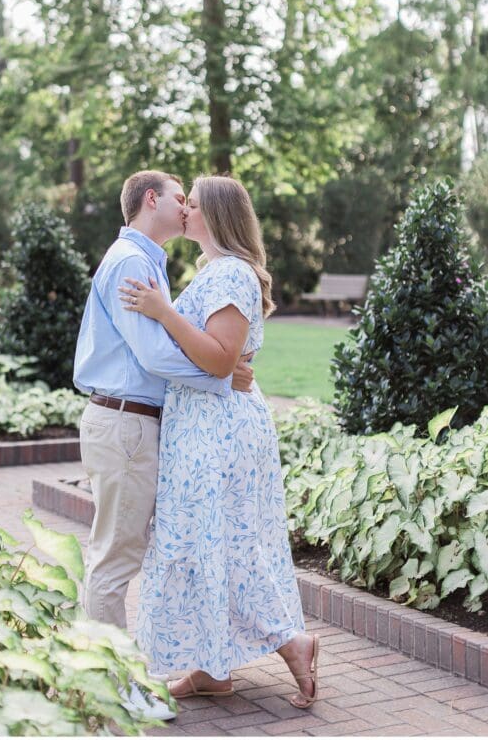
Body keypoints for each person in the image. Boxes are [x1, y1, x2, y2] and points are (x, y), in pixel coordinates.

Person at [118, 175, 319, 710]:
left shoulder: (230, 274)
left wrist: (162, 312)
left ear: (218, 217)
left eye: (195, 204)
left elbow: (221, 359)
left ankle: (291, 641)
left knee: (216, 542)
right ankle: (212, 669)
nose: (184, 209)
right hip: (205, 425)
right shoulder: (216, 271)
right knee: (206, 543)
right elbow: (218, 360)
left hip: (219, 432)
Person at [72, 171, 254, 719]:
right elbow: (153, 356)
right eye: (180, 197)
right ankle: (114, 687)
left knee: (119, 552)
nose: (185, 207)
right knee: (114, 558)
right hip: (125, 424)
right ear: (152, 199)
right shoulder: (132, 263)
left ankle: (112, 678)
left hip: (132, 424)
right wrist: (222, 375)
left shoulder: (148, 263)